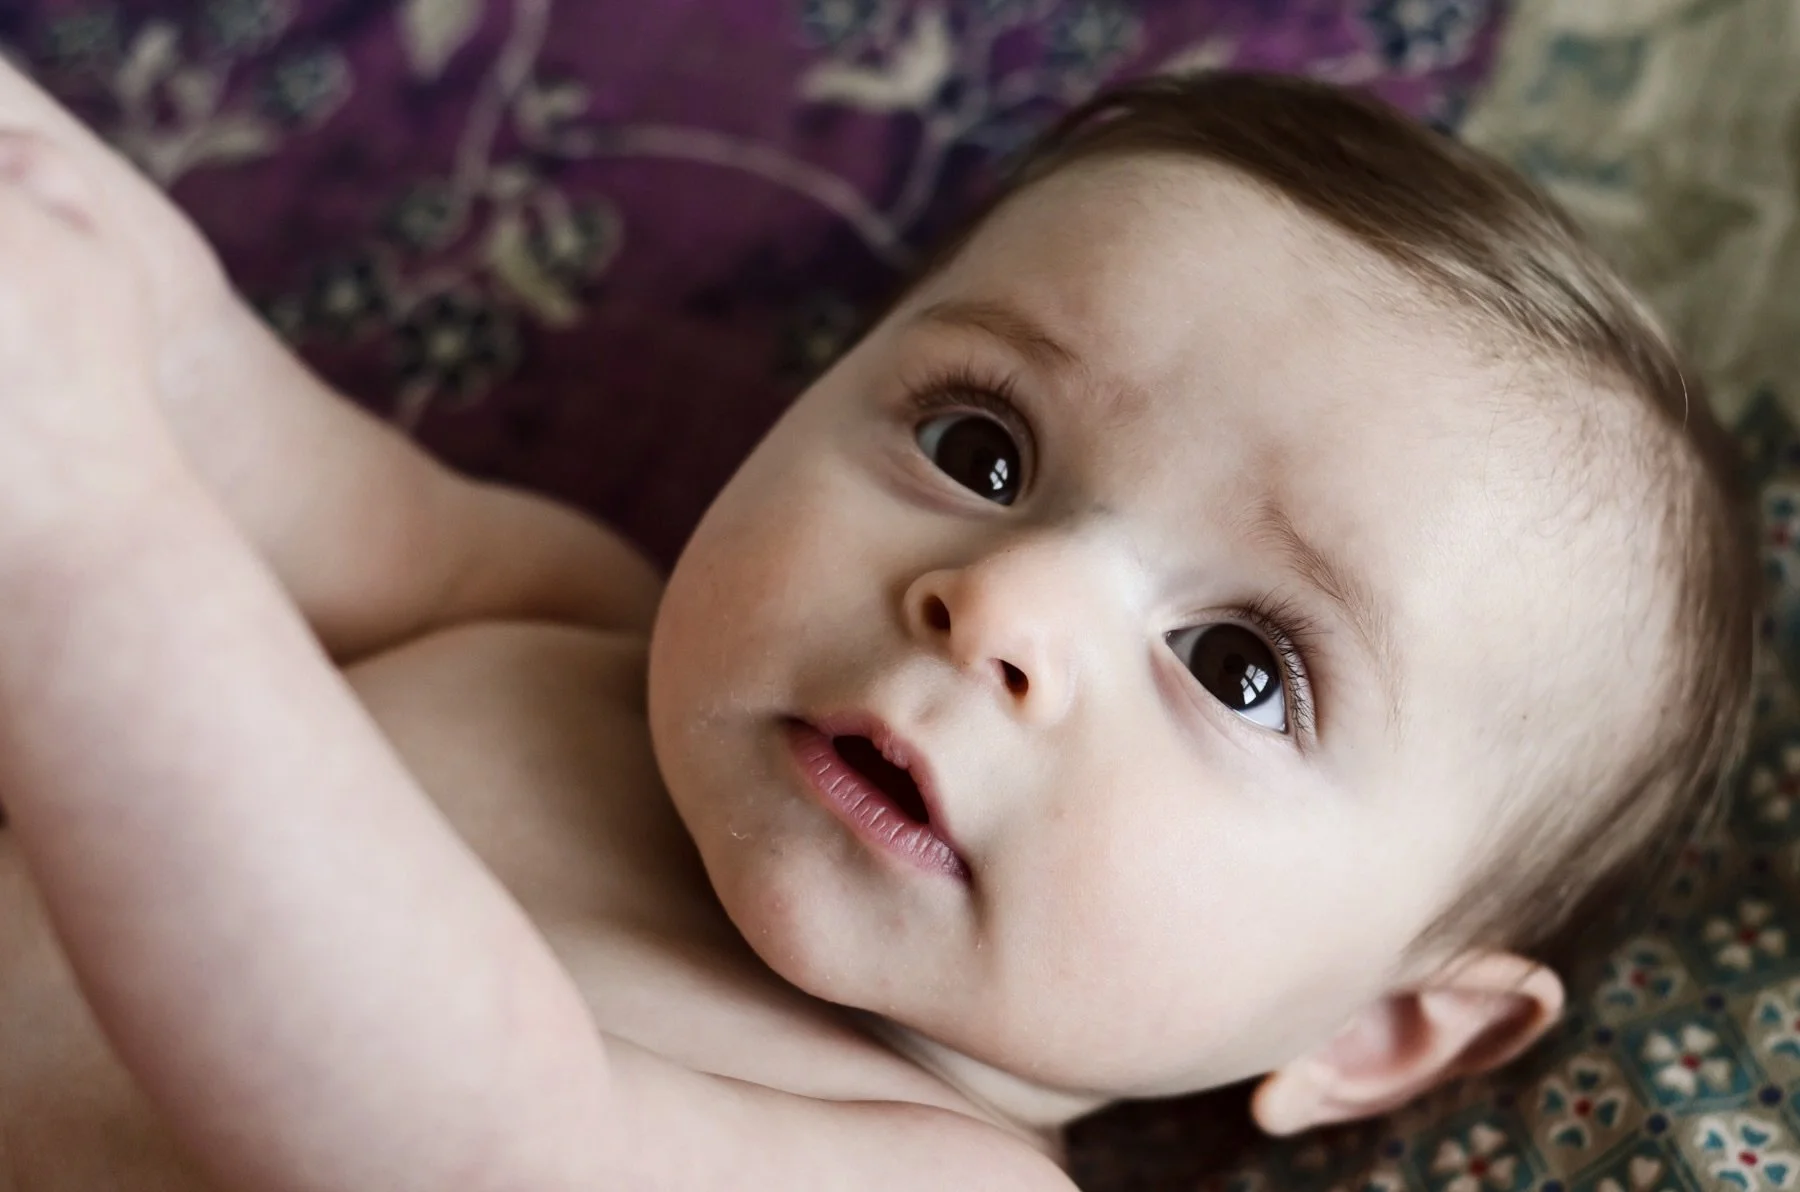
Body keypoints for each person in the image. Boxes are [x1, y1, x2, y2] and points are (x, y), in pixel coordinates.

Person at [0, 61, 1754, 1191]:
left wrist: (85, 557)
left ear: (1375, 1033)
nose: (1005, 599)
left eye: (1241, 667)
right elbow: (189, 370)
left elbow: (466, 1137)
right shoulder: (558, 619)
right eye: (980, 448)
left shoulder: (931, 1172)